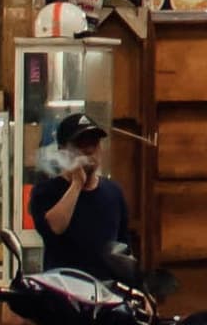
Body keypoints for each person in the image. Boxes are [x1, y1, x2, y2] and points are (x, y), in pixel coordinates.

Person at [27, 105, 134, 279]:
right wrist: (77, 184)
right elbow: (53, 229)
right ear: (63, 151)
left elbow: (124, 249)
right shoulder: (46, 192)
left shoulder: (113, 193)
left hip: (105, 294)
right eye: (81, 144)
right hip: (64, 293)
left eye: (94, 143)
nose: (89, 150)